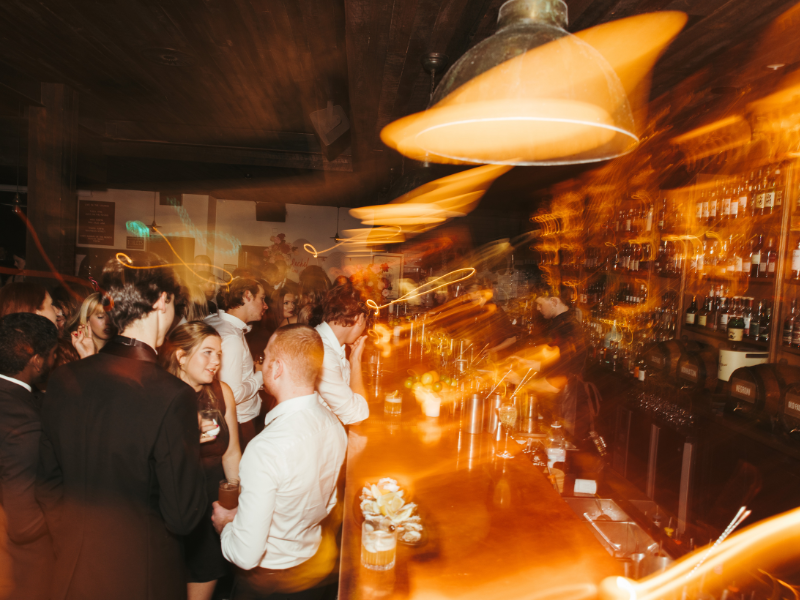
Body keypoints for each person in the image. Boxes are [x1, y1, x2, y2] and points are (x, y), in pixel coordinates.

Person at [37, 254, 207, 600]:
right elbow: (182, 516)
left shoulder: (64, 377)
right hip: (140, 576)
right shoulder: (174, 396)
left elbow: (47, 481)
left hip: (70, 568)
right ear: (162, 300)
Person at [211, 325, 347, 600]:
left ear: (277, 368)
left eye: (265, 358)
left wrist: (226, 526)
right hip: (313, 573)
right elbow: (328, 502)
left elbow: (246, 555)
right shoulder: (335, 425)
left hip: (267, 583)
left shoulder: (265, 448)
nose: (262, 365)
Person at [161, 322, 241, 600]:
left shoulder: (222, 393)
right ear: (181, 357)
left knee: (204, 581)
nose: (216, 361)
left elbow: (231, 453)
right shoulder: (159, 395)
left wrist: (234, 500)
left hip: (210, 509)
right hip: (169, 508)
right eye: (207, 353)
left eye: (219, 354)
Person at [0, 313, 58, 600]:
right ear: (36, 361)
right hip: (20, 567)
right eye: (52, 355)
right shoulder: (24, 420)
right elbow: (24, 524)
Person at [510, 285, 588, 437]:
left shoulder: (567, 328)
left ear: (554, 301)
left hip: (567, 412)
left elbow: (559, 379)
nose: (538, 308)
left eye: (540, 304)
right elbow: (560, 361)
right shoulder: (562, 323)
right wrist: (528, 363)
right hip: (563, 407)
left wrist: (521, 382)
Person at [205, 278, 267, 449]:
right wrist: (260, 376)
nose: (266, 305)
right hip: (240, 422)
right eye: (262, 298)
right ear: (247, 296)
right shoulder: (231, 337)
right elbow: (232, 394)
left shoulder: (212, 320)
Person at [314, 284, 369, 425]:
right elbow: (357, 416)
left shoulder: (330, 343)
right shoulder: (323, 353)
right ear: (360, 318)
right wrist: (356, 361)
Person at [67, 292, 116, 358]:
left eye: (112, 316)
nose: (108, 322)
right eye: (100, 317)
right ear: (87, 320)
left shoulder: (122, 352)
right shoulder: (72, 353)